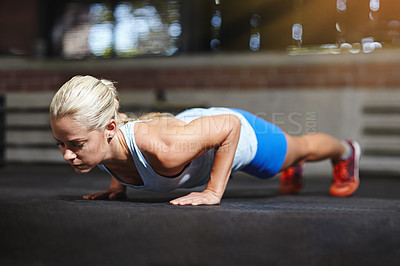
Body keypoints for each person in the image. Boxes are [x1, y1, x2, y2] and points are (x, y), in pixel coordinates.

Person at [49, 75, 361, 206]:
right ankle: (291, 165)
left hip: (234, 133)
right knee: (286, 161)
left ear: (109, 127)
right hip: (193, 128)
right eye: (60, 143)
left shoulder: (164, 149)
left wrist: (212, 192)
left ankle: (346, 151)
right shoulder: (98, 147)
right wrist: (118, 186)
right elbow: (122, 152)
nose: (67, 154)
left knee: (296, 151)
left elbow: (229, 126)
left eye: (75, 144)